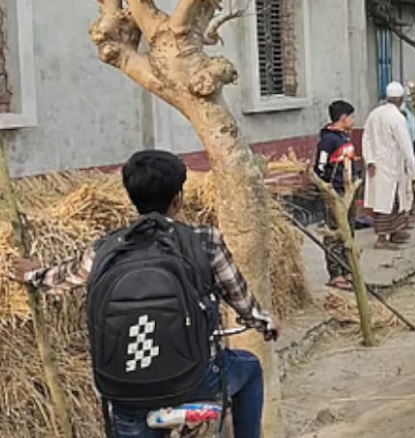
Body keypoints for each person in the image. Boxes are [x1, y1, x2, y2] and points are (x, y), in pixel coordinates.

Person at [9, 150, 279, 438]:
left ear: (131, 197)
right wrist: (264, 322)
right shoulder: (203, 241)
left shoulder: (106, 249)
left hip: (124, 389)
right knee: (250, 368)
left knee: (128, 416)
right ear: (178, 198)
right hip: (195, 380)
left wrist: (32, 274)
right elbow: (239, 297)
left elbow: (60, 278)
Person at [363, 82, 415, 248]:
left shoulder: (374, 114)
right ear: (401, 100)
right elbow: (406, 146)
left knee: (393, 201)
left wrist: (369, 160)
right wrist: (414, 172)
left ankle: (395, 231)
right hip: (392, 165)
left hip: (380, 165)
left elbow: (365, 139)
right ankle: (382, 238)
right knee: (386, 203)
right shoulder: (398, 118)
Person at [314, 99, 358, 290]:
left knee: (348, 231)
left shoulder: (344, 137)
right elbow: (320, 167)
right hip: (335, 191)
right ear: (343, 118)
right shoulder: (328, 140)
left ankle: (347, 268)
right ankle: (335, 273)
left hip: (349, 191)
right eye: (351, 117)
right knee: (334, 232)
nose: (354, 120)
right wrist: (327, 188)